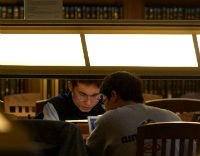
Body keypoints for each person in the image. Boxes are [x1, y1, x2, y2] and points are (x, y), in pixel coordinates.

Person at [86, 71, 181, 156]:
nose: (105, 107)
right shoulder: (173, 117)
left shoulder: (110, 119)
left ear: (114, 95)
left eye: (105, 101)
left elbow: (89, 152)